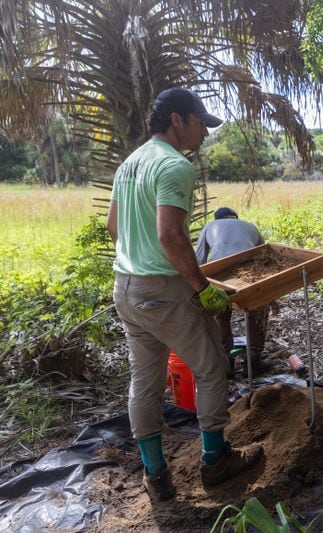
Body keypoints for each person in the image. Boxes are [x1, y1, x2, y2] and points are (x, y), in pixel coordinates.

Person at [106, 88, 262, 501]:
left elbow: (113, 228)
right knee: (211, 366)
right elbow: (171, 235)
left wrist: (137, 258)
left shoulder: (130, 163)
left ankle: (155, 475)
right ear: (177, 120)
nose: (204, 133)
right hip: (163, 289)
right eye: (200, 124)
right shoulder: (173, 165)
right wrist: (200, 288)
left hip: (125, 286)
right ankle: (216, 460)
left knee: (145, 380)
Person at [195, 207, 271, 377]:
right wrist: (269, 296)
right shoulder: (250, 226)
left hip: (221, 276)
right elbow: (265, 260)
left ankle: (226, 361)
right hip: (249, 275)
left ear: (217, 220)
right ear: (236, 218)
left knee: (220, 313)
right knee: (258, 307)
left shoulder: (210, 226)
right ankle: (253, 359)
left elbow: (199, 260)